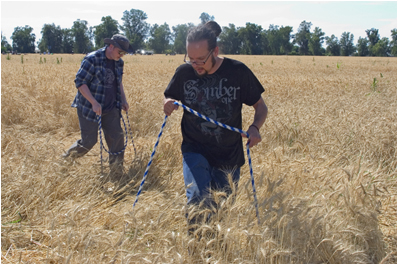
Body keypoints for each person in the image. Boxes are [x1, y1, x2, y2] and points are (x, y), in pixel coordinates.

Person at [163, 21, 268, 234]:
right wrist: (167, 102)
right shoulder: (184, 72)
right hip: (195, 148)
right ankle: (196, 249)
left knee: (221, 211)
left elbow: (261, 107)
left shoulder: (237, 71)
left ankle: (216, 250)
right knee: (199, 200)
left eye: (201, 59)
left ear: (216, 51)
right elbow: (170, 94)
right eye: (190, 59)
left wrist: (255, 127)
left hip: (229, 155)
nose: (195, 65)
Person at [63, 34, 133, 177]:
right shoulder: (92, 59)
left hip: (111, 107)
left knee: (117, 138)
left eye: (124, 53)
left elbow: (118, 82)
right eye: (120, 52)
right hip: (89, 108)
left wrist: (124, 100)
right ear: (111, 46)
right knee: (88, 142)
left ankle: (116, 174)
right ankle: (65, 161)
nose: (122, 55)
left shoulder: (118, 62)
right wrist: (93, 102)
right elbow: (80, 82)